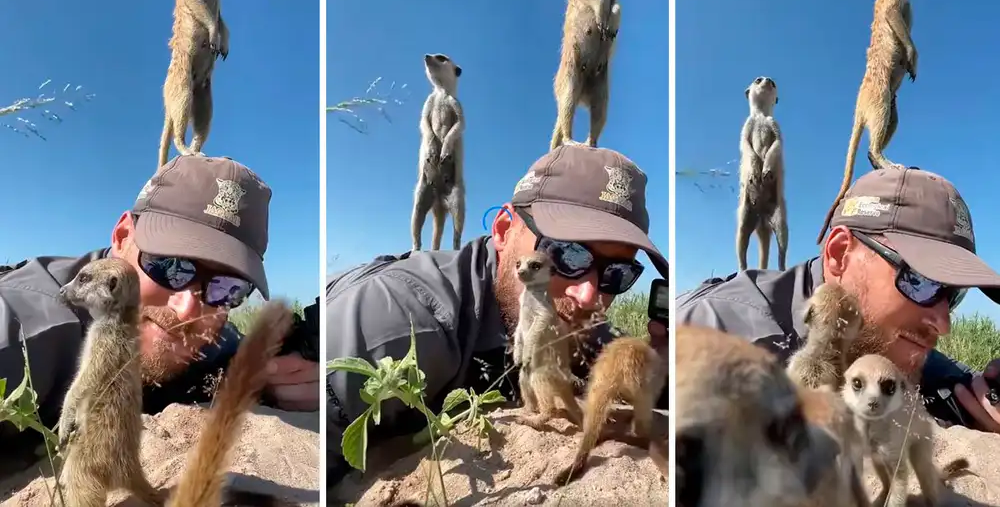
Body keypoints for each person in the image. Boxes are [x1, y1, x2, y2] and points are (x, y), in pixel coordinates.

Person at [325, 144, 669, 485]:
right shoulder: (405, 324)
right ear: (504, 231)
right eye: (569, 254)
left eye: (617, 274)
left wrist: (661, 368)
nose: (589, 295)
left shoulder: (573, 315)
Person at [0, 155, 320, 454]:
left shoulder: (212, 338)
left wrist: (279, 378)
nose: (188, 311)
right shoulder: (29, 331)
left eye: (228, 288)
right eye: (170, 267)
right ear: (123, 236)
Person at [677, 166, 1000, 432]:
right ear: (839, 253)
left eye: (953, 293)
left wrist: (986, 400)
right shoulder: (725, 334)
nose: (943, 325)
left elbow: (961, 384)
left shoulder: (887, 339)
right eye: (921, 282)